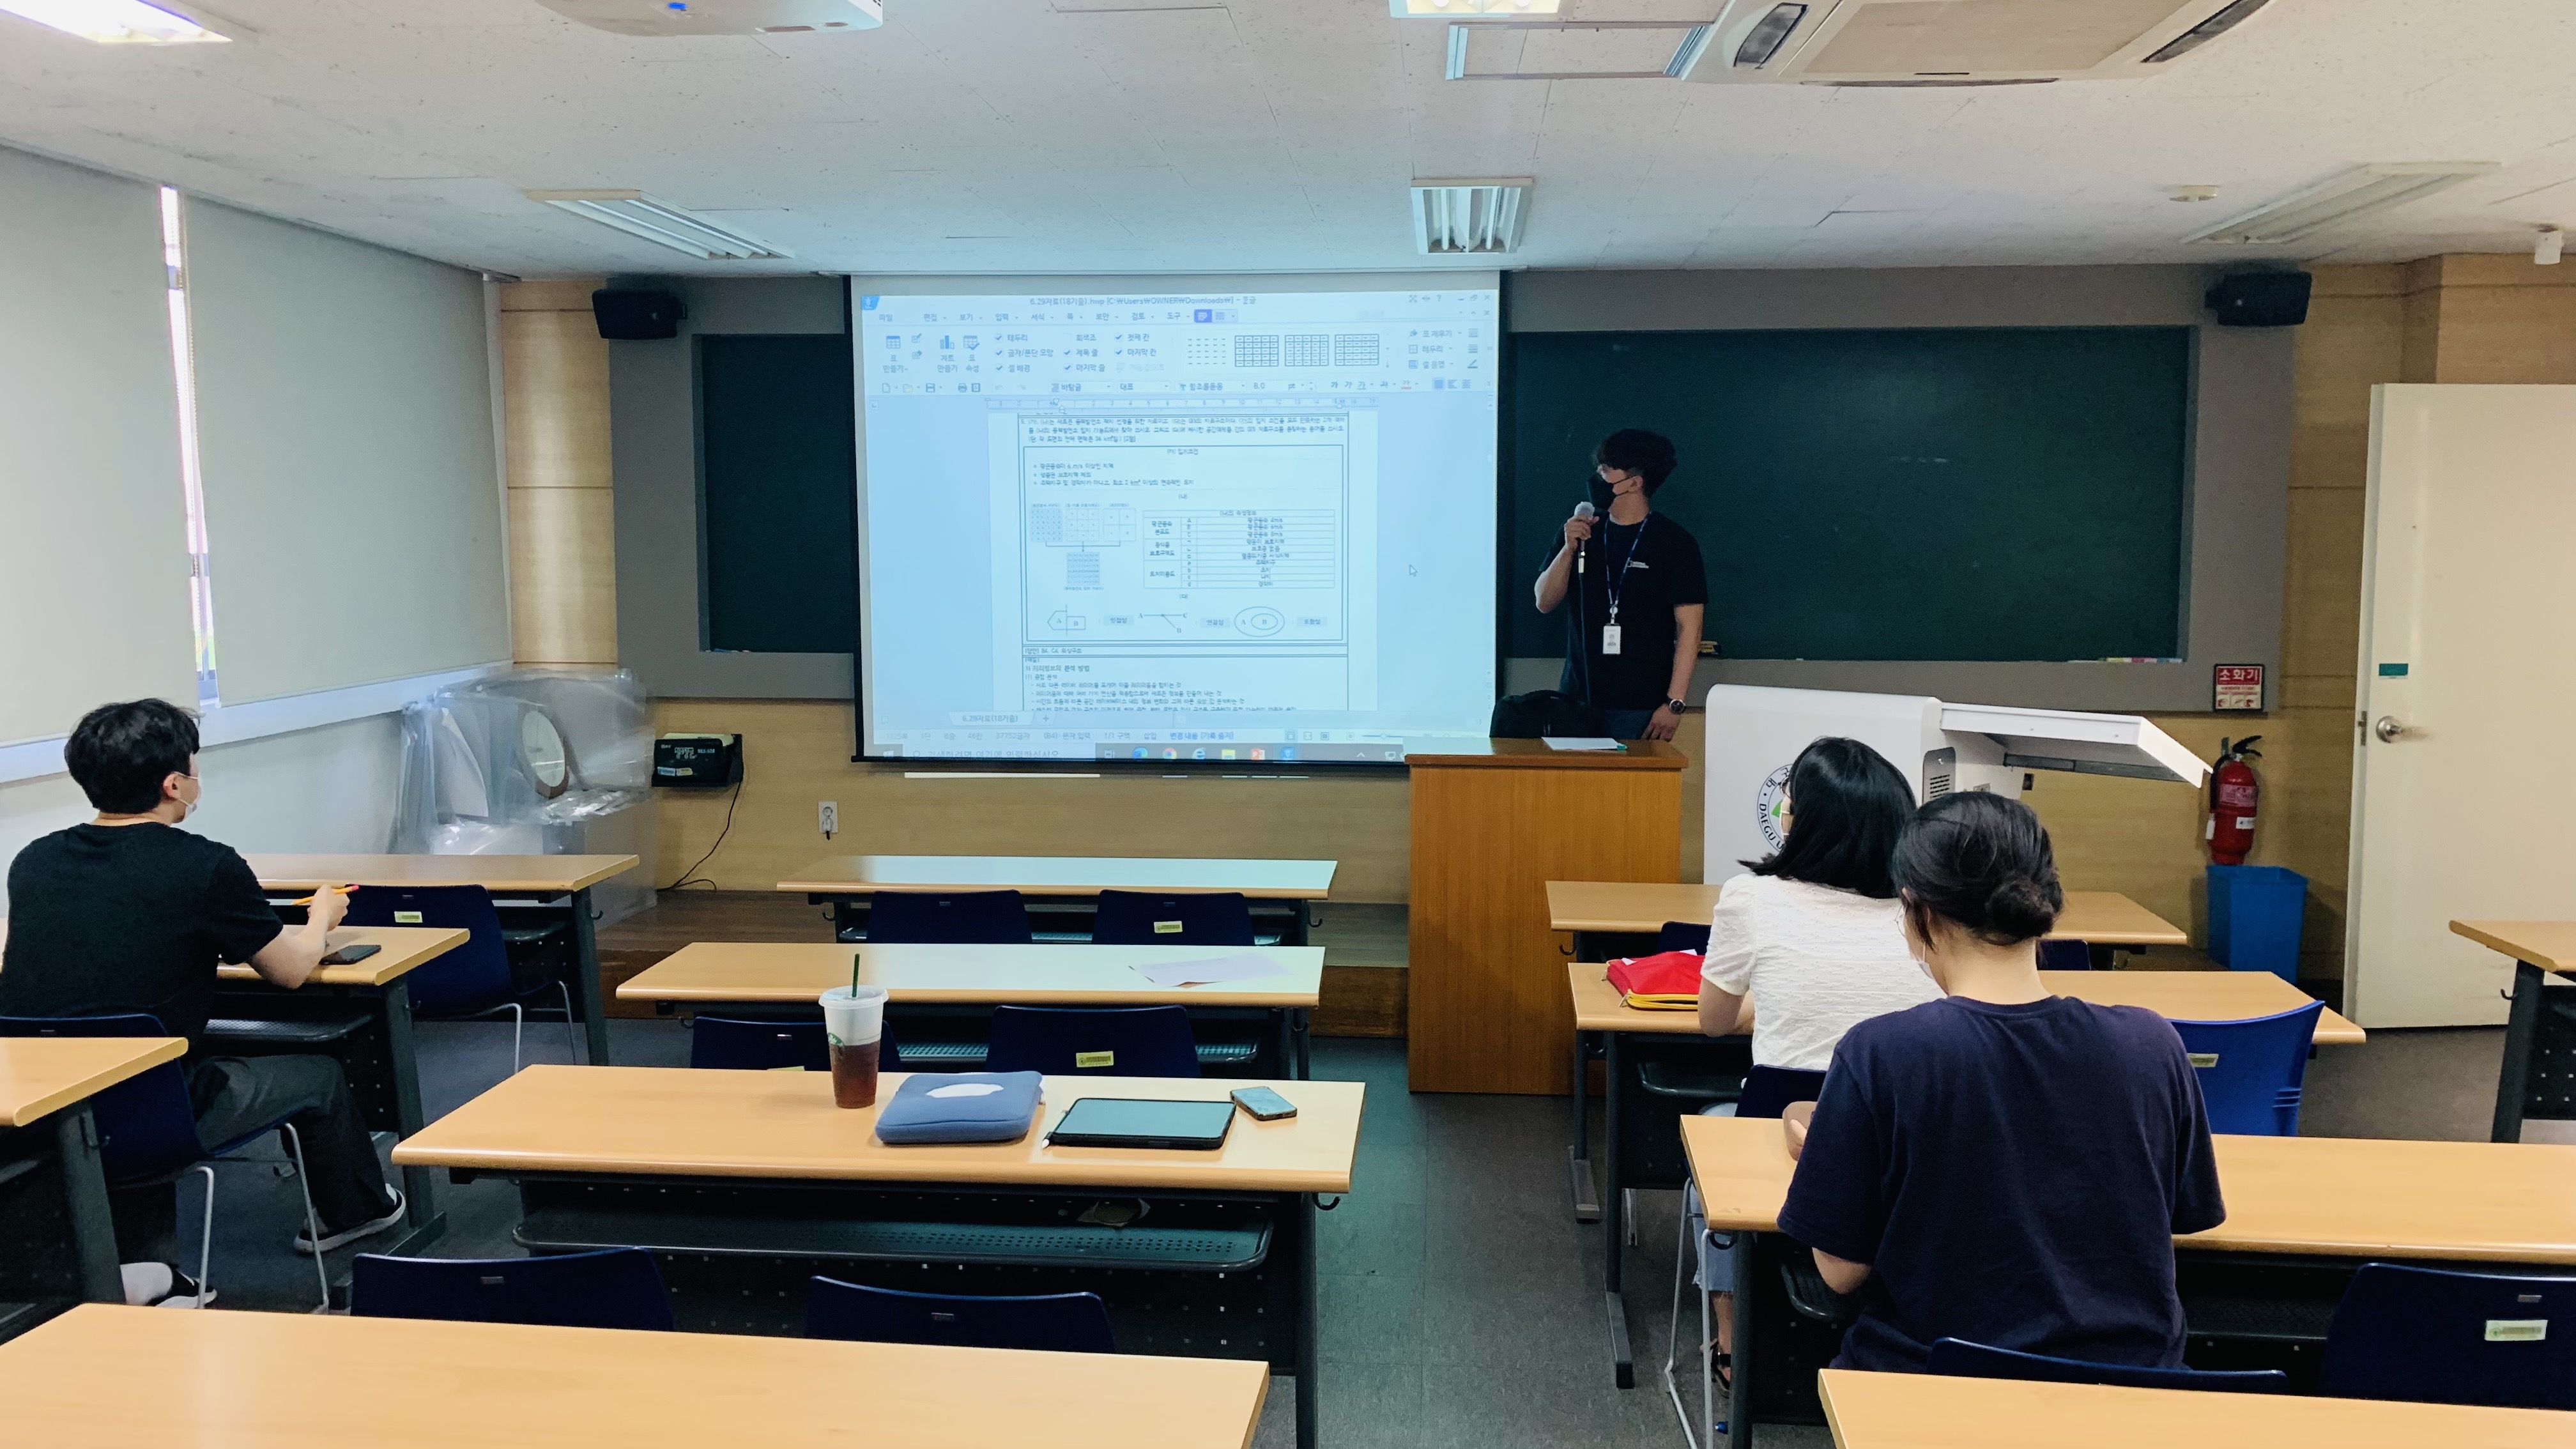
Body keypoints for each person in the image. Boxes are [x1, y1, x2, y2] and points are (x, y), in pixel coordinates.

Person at [1775, 791, 2224, 1372]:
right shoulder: (2152, 1043)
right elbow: (2182, 1218)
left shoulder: (1880, 1054)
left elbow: (1840, 1272)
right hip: (2130, 1390)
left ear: (1917, 912)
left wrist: (1833, 1159)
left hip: (1935, 1386)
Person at [0, 699, 405, 1307]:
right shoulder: (205, 865)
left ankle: (141, 1269)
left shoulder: (35, 861)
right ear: (173, 784)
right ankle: (357, 1213)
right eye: (193, 766)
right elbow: (290, 971)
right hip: (155, 1113)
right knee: (319, 1076)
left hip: (40, 1111)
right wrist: (321, 918)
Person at [1692, 735, 1936, 1367]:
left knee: (1712, 1145)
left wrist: (1774, 1006)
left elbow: (1713, 1022)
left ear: (1802, 822)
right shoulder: (1926, 914)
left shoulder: (1750, 898)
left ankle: (1731, 1338)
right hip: (1907, 1155)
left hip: (1787, 1140)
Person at [1532, 428, 1706, 741]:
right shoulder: (1580, 532)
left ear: (1634, 483)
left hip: (1641, 708)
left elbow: (1690, 628)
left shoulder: (1674, 543)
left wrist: (1674, 703)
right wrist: (1568, 549)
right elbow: (1544, 601)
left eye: (1606, 470)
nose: (1597, 478)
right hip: (1577, 700)